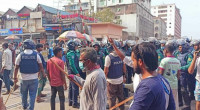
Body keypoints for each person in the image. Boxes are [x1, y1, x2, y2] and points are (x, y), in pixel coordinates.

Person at [128, 42, 175, 110]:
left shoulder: (147, 87)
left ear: (140, 62)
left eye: (133, 60)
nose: (132, 64)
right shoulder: (163, 80)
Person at [13, 39, 45, 110]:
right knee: (32, 95)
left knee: (23, 94)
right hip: (34, 78)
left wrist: (15, 78)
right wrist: (41, 73)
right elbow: (41, 66)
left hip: (23, 79)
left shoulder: (20, 55)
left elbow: (16, 68)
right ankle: (31, 108)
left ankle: (24, 106)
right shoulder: (36, 55)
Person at [104, 41, 126, 110]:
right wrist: (124, 77)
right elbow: (124, 68)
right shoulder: (121, 56)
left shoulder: (108, 57)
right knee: (121, 98)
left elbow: (106, 70)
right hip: (120, 80)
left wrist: (104, 80)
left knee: (112, 99)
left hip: (111, 82)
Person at [158, 44, 181, 109]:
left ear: (166, 51)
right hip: (174, 85)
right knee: (175, 102)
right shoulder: (177, 61)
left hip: (165, 86)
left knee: (165, 103)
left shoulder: (164, 61)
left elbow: (160, 73)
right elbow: (178, 74)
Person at [174, 39, 193, 109]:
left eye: (181, 47)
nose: (179, 48)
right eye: (179, 47)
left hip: (185, 75)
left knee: (184, 90)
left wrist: (181, 68)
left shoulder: (188, 55)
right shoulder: (177, 54)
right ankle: (180, 102)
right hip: (177, 74)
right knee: (178, 88)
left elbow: (190, 65)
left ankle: (187, 104)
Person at [66, 40, 81, 108]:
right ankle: (74, 103)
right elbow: (72, 65)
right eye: (75, 46)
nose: (76, 47)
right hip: (73, 72)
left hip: (72, 71)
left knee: (71, 87)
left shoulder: (73, 52)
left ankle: (71, 101)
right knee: (75, 88)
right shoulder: (71, 54)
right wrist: (76, 72)